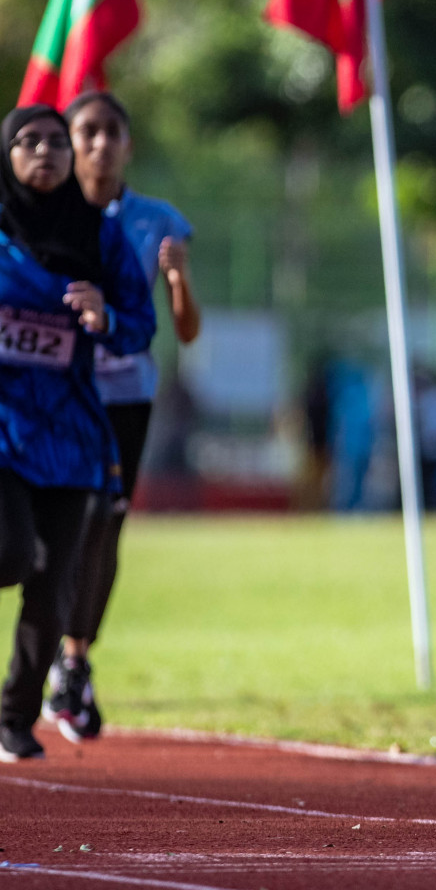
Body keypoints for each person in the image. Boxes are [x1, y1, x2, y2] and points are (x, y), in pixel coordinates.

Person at [40, 92, 200, 742]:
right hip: (53, 393)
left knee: (105, 523)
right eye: (87, 132)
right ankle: (47, 649)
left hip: (126, 396)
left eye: (113, 132)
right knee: (54, 528)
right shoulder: (39, 216)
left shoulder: (157, 222)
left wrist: (180, 282)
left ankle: (74, 661)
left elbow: (186, 330)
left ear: (129, 145)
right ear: (69, 142)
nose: (101, 144)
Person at [0, 104, 154, 762]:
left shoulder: (100, 235)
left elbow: (141, 323)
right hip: (4, 428)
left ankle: (12, 718)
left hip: (72, 433)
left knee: (54, 583)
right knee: (8, 555)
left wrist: (106, 318)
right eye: (28, 142)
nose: (46, 153)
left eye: (56, 143)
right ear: (7, 155)